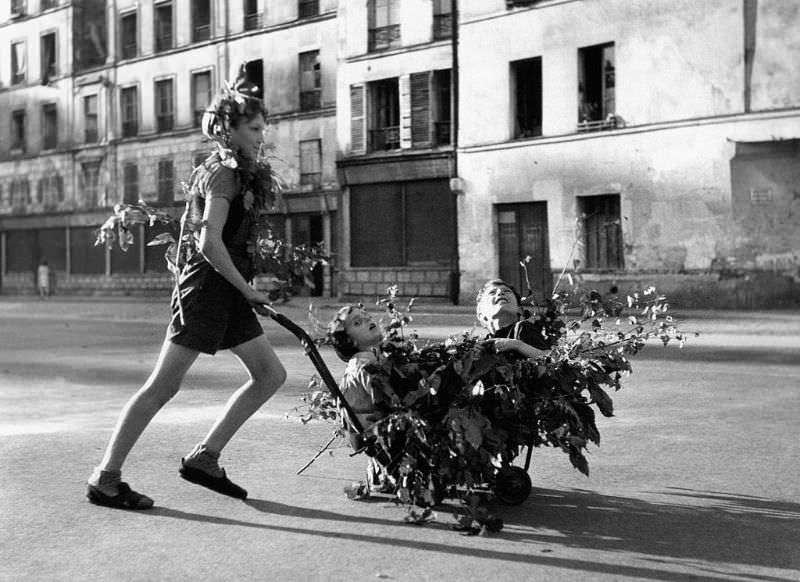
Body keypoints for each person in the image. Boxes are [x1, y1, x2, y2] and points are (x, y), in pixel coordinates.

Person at [86, 65, 286, 510]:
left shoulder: (241, 175)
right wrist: (248, 290)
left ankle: (205, 458)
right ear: (228, 130)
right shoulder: (223, 174)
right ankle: (105, 478)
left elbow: (225, 242)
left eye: (263, 128)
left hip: (226, 291)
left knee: (270, 375)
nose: (261, 136)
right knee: (162, 387)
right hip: (206, 291)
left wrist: (247, 285)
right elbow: (207, 240)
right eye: (254, 128)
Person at [328, 305, 397, 493]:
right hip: (370, 425)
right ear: (351, 342)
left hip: (369, 422)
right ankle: (385, 471)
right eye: (358, 322)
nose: (367, 320)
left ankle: (380, 470)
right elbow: (381, 394)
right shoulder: (363, 363)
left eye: (366, 316)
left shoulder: (372, 356)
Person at [475, 279, 552, 358]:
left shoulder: (523, 328)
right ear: (481, 316)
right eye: (492, 292)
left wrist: (517, 345)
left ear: (520, 309)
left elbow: (552, 359)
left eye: (507, 291)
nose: (500, 293)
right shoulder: (480, 345)